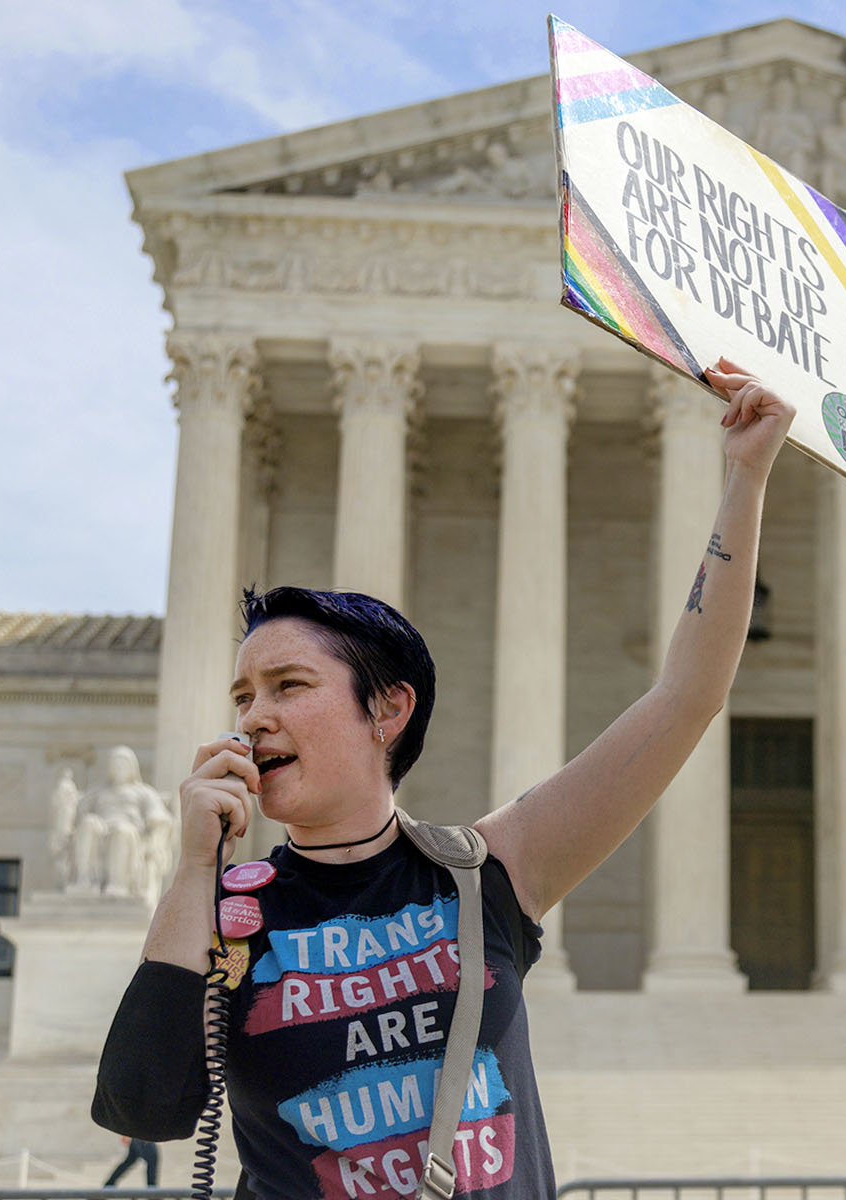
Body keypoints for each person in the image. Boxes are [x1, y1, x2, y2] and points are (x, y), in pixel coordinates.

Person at [92, 359, 796, 1199]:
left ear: (386, 710)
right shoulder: (233, 915)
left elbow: (687, 696)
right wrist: (194, 873)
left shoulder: (487, 875)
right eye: (243, 695)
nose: (253, 716)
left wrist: (745, 477)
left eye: (289, 686)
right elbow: (144, 1105)